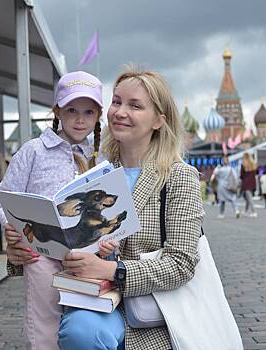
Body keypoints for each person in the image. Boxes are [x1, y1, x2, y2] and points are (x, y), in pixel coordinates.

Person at [56, 68, 203, 350]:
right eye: (116, 102)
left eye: (135, 105)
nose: (120, 112)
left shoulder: (178, 176)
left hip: (154, 311)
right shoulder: (94, 170)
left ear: (159, 120)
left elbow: (182, 264)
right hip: (95, 299)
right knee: (81, 332)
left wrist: (114, 269)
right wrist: (23, 247)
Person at [0, 71, 104, 350]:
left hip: (88, 252)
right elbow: (4, 199)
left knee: (85, 317)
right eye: (71, 110)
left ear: (98, 115)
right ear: (57, 110)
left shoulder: (101, 155)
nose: (80, 119)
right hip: (41, 251)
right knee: (44, 316)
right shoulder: (33, 151)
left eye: (88, 112)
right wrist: (12, 228)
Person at [240, 152, 257, 218]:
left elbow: (241, 175)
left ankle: (254, 212)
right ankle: (245, 211)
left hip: (246, 183)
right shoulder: (254, 164)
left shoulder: (243, 165)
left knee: (249, 198)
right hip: (253, 183)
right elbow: (256, 173)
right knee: (248, 198)